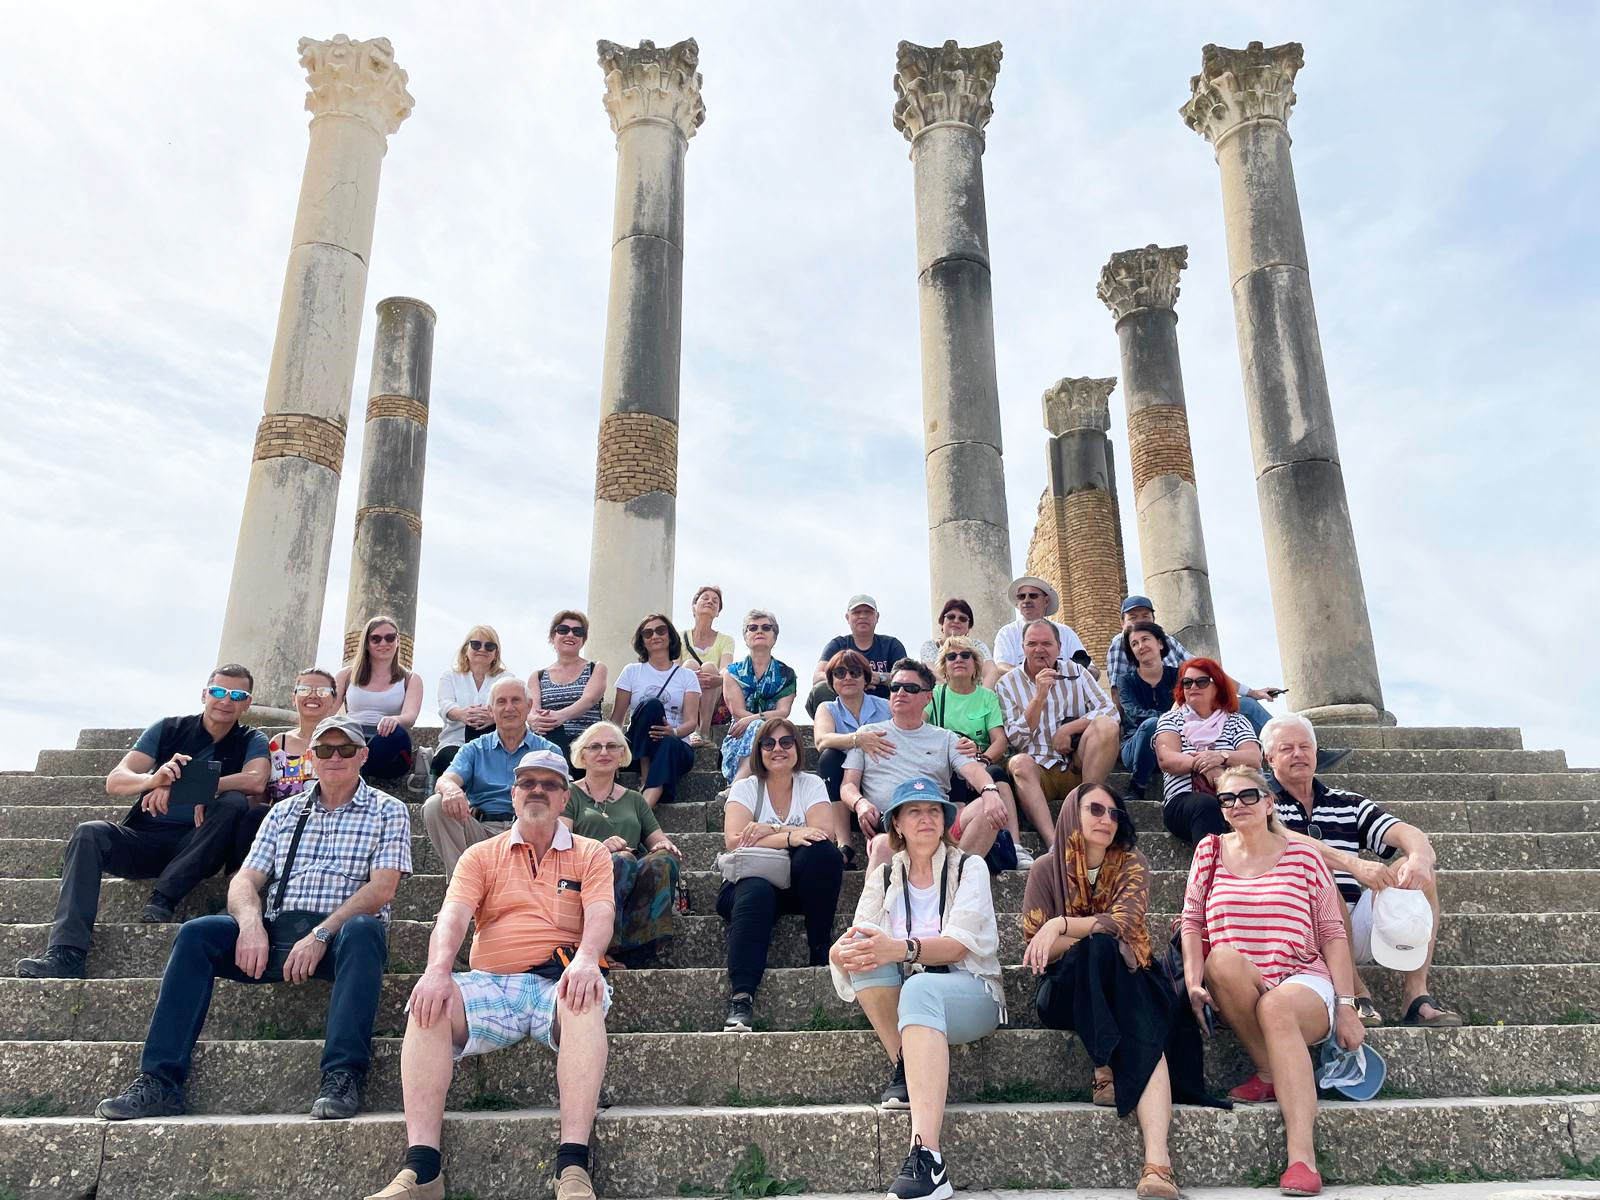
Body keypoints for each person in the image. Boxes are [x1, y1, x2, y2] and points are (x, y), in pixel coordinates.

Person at [95, 715, 412, 1122]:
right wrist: (251, 925)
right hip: (276, 930)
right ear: (310, 757)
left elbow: (383, 889)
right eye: (326, 750)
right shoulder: (282, 813)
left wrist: (320, 933)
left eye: (347, 749)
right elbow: (245, 879)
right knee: (197, 934)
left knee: (367, 930)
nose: (336, 757)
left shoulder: (389, 811)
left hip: (340, 937)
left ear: (363, 756)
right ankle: (160, 1081)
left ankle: (342, 1075)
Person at [366, 750, 612, 1200]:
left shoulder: (591, 853)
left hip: (558, 982)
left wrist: (585, 959)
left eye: (550, 784)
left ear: (564, 800)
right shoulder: (480, 855)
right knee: (428, 1002)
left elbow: (600, 914)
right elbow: (453, 918)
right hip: (490, 983)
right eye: (527, 783)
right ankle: (422, 1171)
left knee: (586, 999)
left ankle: (573, 1167)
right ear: (513, 795)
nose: (537, 790)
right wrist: (437, 970)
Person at [1180, 766, 1365, 1198]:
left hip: (1303, 981)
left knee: (1276, 1005)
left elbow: (1333, 933)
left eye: (1248, 796)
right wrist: (1193, 983)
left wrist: (1347, 1005)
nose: (1237, 806)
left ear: (1268, 803)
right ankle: (1268, 1068)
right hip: (1243, 984)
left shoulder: (1303, 856)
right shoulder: (1209, 851)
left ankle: (1302, 1158)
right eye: (1227, 800)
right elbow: (1191, 923)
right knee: (1221, 959)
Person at [16, 665, 267, 978]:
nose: (225, 700)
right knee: (88, 833)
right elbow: (116, 780)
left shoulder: (250, 739)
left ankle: (164, 897)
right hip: (146, 839)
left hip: (199, 843)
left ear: (247, 702)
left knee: (234, 802)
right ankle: (67, 952)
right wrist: (154, 779)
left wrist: (199, 787)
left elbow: (257, 781)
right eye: (218, 691)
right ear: (204, 694)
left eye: (237, 695)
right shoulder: (169, 728)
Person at [829, 778, 1002, 1200]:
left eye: (933, 811)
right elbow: (859, 936)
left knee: (918, 985)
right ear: (897, 826)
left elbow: (959, 946)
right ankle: (910, 1069)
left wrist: (901, 949)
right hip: (917, 994)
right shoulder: (886, 874)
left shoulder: (969, 866)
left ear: (945, 822)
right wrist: (841, 953)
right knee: (869, 963)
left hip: (972, 991)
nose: (925, 818)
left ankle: (928, 1159)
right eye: (913, 811)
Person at [1020, 784, 1185, 1199]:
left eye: (1114, 813)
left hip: (1133, 979)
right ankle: (1105, 1065)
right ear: (1073, 813)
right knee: (1097, 950)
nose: (1106, 820)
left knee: (1114, 972)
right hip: (1062, 994)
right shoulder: (1045, 869)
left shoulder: (1133, 863)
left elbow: (1124, 922)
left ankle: (1157, 1163)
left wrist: (1060, 925)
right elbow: (1036, 950)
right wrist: (1085, 934)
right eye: (1095, 809)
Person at [1264, 714, 1462, 1028]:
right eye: (1287, 748)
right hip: (1306, 932)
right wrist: (1353, 864)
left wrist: (1420, 858)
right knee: (1322, 877)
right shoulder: (1262, 804)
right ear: (1269, 758)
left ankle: (1416, 994)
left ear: (1316, 754)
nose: (1298, 754)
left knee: (1415, 873)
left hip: (1360, 923)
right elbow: (1281, 836)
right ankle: (1356, 991)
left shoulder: (1348, 802)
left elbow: (1405, 832)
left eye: (1305, 746)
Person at [1107, 595, 1350, 772]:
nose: (1138, 623)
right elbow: (1118, 693)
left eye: (1145, 617)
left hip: (1192, 712)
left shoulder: (1168, 643)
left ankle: (1297, 749)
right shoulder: (1121, 643)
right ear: (1122, 623)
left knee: (1246, 705)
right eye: (1132, 618)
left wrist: (1252, 692)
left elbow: (1211, 672)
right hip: (1160, 724)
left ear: (1154, 624)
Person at [718, 718, 843, 1032]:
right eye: (768, 743)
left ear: (797, 749)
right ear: (758, 750)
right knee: (756, 891)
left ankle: (819, 951)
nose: (777, 749)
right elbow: (734, 840)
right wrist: (790, 838)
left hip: (799, 887)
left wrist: (772, 829)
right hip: (748, 884)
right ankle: (742, 998)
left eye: (786, 742)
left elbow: (824, 833)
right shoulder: (745, 788)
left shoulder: (810, 783)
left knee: (823, 852)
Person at [840, 659, 1018, 869]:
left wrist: (990, 792)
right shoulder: (867, 734)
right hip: (893, 827)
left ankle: (953, 878)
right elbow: (848, 785)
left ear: (928, 697)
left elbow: (973, 771)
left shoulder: (946, 738)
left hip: (940, 824)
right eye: (895, 687)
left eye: (911, 688)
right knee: (882, 846)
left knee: (988, 807)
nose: (901, 692)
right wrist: (859, 803)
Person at [563, 722, 683, 967]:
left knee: (662, 859)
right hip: (587, 871)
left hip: (633, 873)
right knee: (621, 859)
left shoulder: (635, 799)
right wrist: (600, 848)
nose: (604, 752)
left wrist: (665, 846)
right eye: (595, 746)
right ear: (582, 755)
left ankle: (649, 948)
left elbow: (657, 837)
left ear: (622, 755)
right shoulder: (568, 794)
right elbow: (562, 841)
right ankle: (603, 948)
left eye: (611, 746)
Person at [421, 677, 558, 878]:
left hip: (529, 829)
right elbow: (445, 780)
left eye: (515, 700)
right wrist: (452, 790)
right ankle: (463, 886)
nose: (508, 708)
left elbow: (562, 796)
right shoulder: (474, 749)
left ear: (529, 706)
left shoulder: (548, 751)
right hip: (481, 829)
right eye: (501, 702)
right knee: (435, 805)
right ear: (491, 710)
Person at [996, 620, 1120, 835]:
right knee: (1019, 763)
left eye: (1046, 643)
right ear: (1023, 647)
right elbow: (1016, 740)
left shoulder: (1077, 671)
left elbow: (1110, 711)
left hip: (1076, 764)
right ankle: (1053, 842)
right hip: (1038, 770)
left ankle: (1086, 811)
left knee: (1107, 726)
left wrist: (1069, 729)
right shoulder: (1007, 684)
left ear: (1059, 648)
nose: (1039, 649)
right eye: (1032, 643)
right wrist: (1039, 696)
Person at [923, 636, 1031, 868]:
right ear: (944, 666)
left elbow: (999, 740)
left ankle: (1015, 844)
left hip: (980, 760)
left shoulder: (987, 696)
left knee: (997, 776)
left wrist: (981, 760)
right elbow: (918, 726)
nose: (958, 660)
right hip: (947, 766)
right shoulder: (935, 695)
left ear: (976, 664)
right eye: (951, 657)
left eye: (965, 655)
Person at [1154, 658, 1263, 845]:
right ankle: (1211, 872)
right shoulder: (1170, 719)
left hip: (1233, 794)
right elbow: (1167, 758)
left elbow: (1253, 758)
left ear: (1217, 686)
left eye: (1201, 681)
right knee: (1206, 805)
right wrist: (1205, 764)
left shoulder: (1236, 721)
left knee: (1257, 803)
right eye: (1187, 682)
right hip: (1184, 800)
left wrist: (1220, 757)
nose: (1193, 686)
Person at [610, 614, 701, 807]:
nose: (655, 636)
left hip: (674, 745)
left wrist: (674, 732)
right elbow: (616, 719)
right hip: (637, 746)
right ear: (642, 640)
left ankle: (646, 802)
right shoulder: (632, 672)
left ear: (670, 636)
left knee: (669, 742)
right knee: (652, 705)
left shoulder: (687, 676)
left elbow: (692, 722)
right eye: (648, 633)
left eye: (661, 630)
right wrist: (612, 750)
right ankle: (646, 774)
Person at [249, 666, 337, 866]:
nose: (313, 696)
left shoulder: (343, 744)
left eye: (322, 692)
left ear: (333, 700)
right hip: (281, 823)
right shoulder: (278, 743)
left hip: (325, 823)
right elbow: (263, 793)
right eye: (305, 690)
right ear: (293, 697)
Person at [811, 649, 891, 864]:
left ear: (866, 678)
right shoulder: (827, 708)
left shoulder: (887, 706)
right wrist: (858, 739)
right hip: (844, 783)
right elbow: (822, 740)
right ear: (831, 681)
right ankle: (844, 843)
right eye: (839, 673)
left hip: (881, 776)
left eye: (855, 672)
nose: (847, 677)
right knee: (829, 758)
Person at [337, 614, 424, 780]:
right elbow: (327, 712)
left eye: (390, 638)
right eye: (376, 639)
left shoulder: (410, 678)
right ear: (367, 643)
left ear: (397, 641)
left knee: (397, 733)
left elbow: (410, 716)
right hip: (354, 737)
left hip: (389, 745)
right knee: (337, 736)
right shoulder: (346, 675)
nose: (383, 643)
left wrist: (395, 720)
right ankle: (354, 770)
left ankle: (352, 772)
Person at [719, 609, 798, 783]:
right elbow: (738, 713)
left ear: (774, 636)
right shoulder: (732, 673)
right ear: (745, 637)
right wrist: (755, 721)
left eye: (766, 627)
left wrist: (756, 720)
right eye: (752, 628)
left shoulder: (786, 673)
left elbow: (783, 711)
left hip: (776, 732)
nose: (759, 631)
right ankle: (740, 782)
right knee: (755, 727)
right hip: (740, 732)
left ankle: (737, 785)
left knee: (758, 726)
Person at [805, 594, 907, 716]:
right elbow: (817, 677)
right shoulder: (837, 645)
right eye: (856, 612)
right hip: (844, 706)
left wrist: (879, 677)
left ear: (877, 616)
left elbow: (907, 677)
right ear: (847, 617)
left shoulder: (891, 645)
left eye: (868, 612)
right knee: (821, 689)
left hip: (883, 707)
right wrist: (848, 678)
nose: (862, 616)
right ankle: (829, 725)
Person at [433, 625, 513, 780]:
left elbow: (512, 707)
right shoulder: (450, 676)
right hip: (456, 740)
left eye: (489, 646)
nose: (482, 649)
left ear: (496, 654)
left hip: (494, 741)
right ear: (466, 650)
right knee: (453, 760)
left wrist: (493, 717)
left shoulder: (506, 678)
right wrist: (463, 714)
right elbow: (445, 704)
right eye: (476, 644)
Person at [1114, 621, 1180, 804]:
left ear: (1160, 643)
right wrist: (1169, 717)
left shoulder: (1179, 676)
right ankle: (1137, 785)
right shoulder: (1125, 681)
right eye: (1134, 644)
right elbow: (1135, 713)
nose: (1141, 646)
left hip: (1174, 744)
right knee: (1150, 725)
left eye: (1145, 639)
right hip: (1135, 746)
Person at [530, 610, 606, 764]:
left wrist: (559, 717)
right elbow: (531, 710)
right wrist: (534, 720)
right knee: (550, 730)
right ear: (553, 637)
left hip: (586, 742)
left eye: (577, 632)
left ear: (583, 639)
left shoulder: (596, 668)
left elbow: (589, 700)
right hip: (551, 740)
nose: (570, 635)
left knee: (553, 726)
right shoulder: (537, 676)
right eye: (563, 630)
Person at [992, 576, 1092, 677]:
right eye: (1021, 596)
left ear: (1046, 601)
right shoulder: (1007, 632)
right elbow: (1001, 666)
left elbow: (1092, 669)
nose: (1026, 600)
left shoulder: (1065, 632)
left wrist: (1070, 677)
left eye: (1033, 596)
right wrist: (1029, 677)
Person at [681, 584, 735, 745]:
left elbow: (726, 668)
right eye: (705, 598)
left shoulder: (726, 640)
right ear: (694, 606)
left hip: (713, 697)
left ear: (718, 612)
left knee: (711, 667)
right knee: (689, 665)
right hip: (685, 694)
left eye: (715, 601)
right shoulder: (678, 637)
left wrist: (717, 679)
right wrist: (692, 679)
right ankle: (692, 728)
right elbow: (674, 669)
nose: (710, 602)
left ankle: (703, 731)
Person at [917, 598, 998, 689]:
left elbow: (991, 671)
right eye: (951, 617)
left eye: (962, 619)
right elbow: (933, 673)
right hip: (941, 699)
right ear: (942, 622)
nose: (956, 621)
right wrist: (958, 694)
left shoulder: (976, 645)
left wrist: (982, 698)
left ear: (969, 627)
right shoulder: (930, 646)